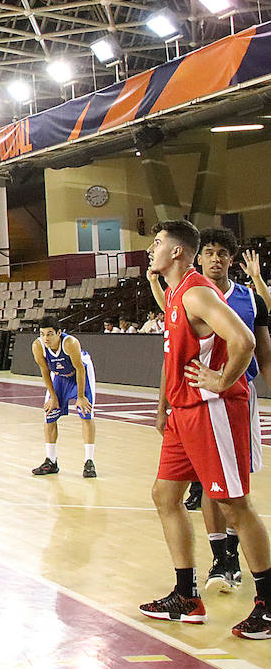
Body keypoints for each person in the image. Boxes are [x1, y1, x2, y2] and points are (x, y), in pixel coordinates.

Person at [139, 219, 271, 639]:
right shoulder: (176, 293)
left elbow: (245, 340)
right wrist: (164, 407)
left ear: (177, 251)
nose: (151, 249)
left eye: (157, 243)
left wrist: (222, 380)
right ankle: (186, 595)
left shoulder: (196, 291)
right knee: (165, 494)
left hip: (211, 410)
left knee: (234, 504)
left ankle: (268, 606)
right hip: (184, 412)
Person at [30, 318, 98, 478]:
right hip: (60, 377)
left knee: (86, 414)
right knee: (49, 415)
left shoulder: (70, 343)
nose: (45, 338)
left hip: (81, 375)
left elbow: (80, 370)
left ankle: (89, 461)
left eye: (50, 334)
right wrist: (53, 397)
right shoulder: (38, 346)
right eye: (42, 334)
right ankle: (51, 461)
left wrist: (80, 396)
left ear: (59, 333)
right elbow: (45, 371)